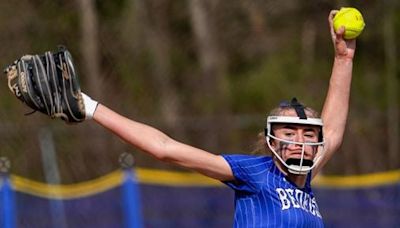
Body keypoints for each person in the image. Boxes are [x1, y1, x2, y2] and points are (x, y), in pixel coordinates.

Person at [80, 9, 356, 227]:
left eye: (308, 134)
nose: (299, 141)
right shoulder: (256, 173)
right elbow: (163, 148)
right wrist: (91, 107)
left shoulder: (305, 182)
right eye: (289, 133)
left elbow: (332, 131)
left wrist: (343, 59)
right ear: (271, 140)